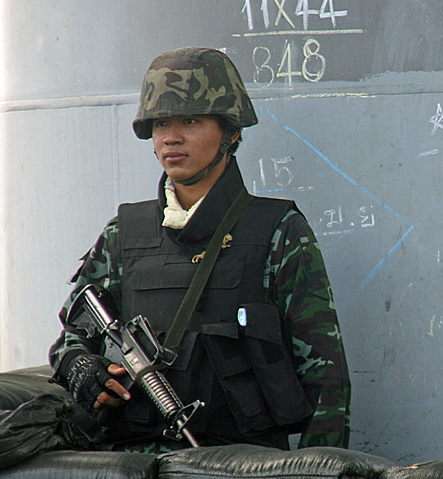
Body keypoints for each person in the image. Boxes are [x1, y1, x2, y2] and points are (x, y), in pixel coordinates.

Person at [48, 47, 350, 452]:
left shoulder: (278, 232)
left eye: (190, 120)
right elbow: (71, 337)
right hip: (131, 468)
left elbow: (326, 378)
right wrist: (82, 367)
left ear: (231, 132)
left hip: (238, 465)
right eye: (161, 123)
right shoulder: (124, 234)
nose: (171, 137)